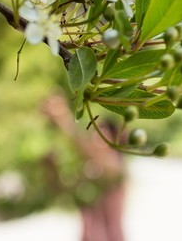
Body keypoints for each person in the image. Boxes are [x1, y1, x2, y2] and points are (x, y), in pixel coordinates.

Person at [42, 94, 125, 241]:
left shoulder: (115, 167)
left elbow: (85, 149)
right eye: (95, 133)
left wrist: (62, 116)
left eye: (102, 136)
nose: (95, 139)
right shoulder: (91, 170)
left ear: (113, 142)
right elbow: (63, 191)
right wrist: (51, 169)